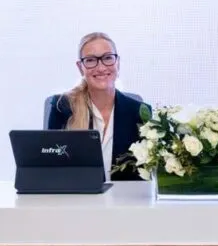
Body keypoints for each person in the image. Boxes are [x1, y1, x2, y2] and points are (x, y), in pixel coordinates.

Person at [46, 32, 151, 181]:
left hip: (125, 201)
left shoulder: (138, 112)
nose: (101, 68)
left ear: (118, 62)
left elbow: (144, 175)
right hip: (77, 200)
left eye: (108, 58)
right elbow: (50, 166)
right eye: (90, 60)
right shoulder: (62, 107)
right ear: (80, 67)